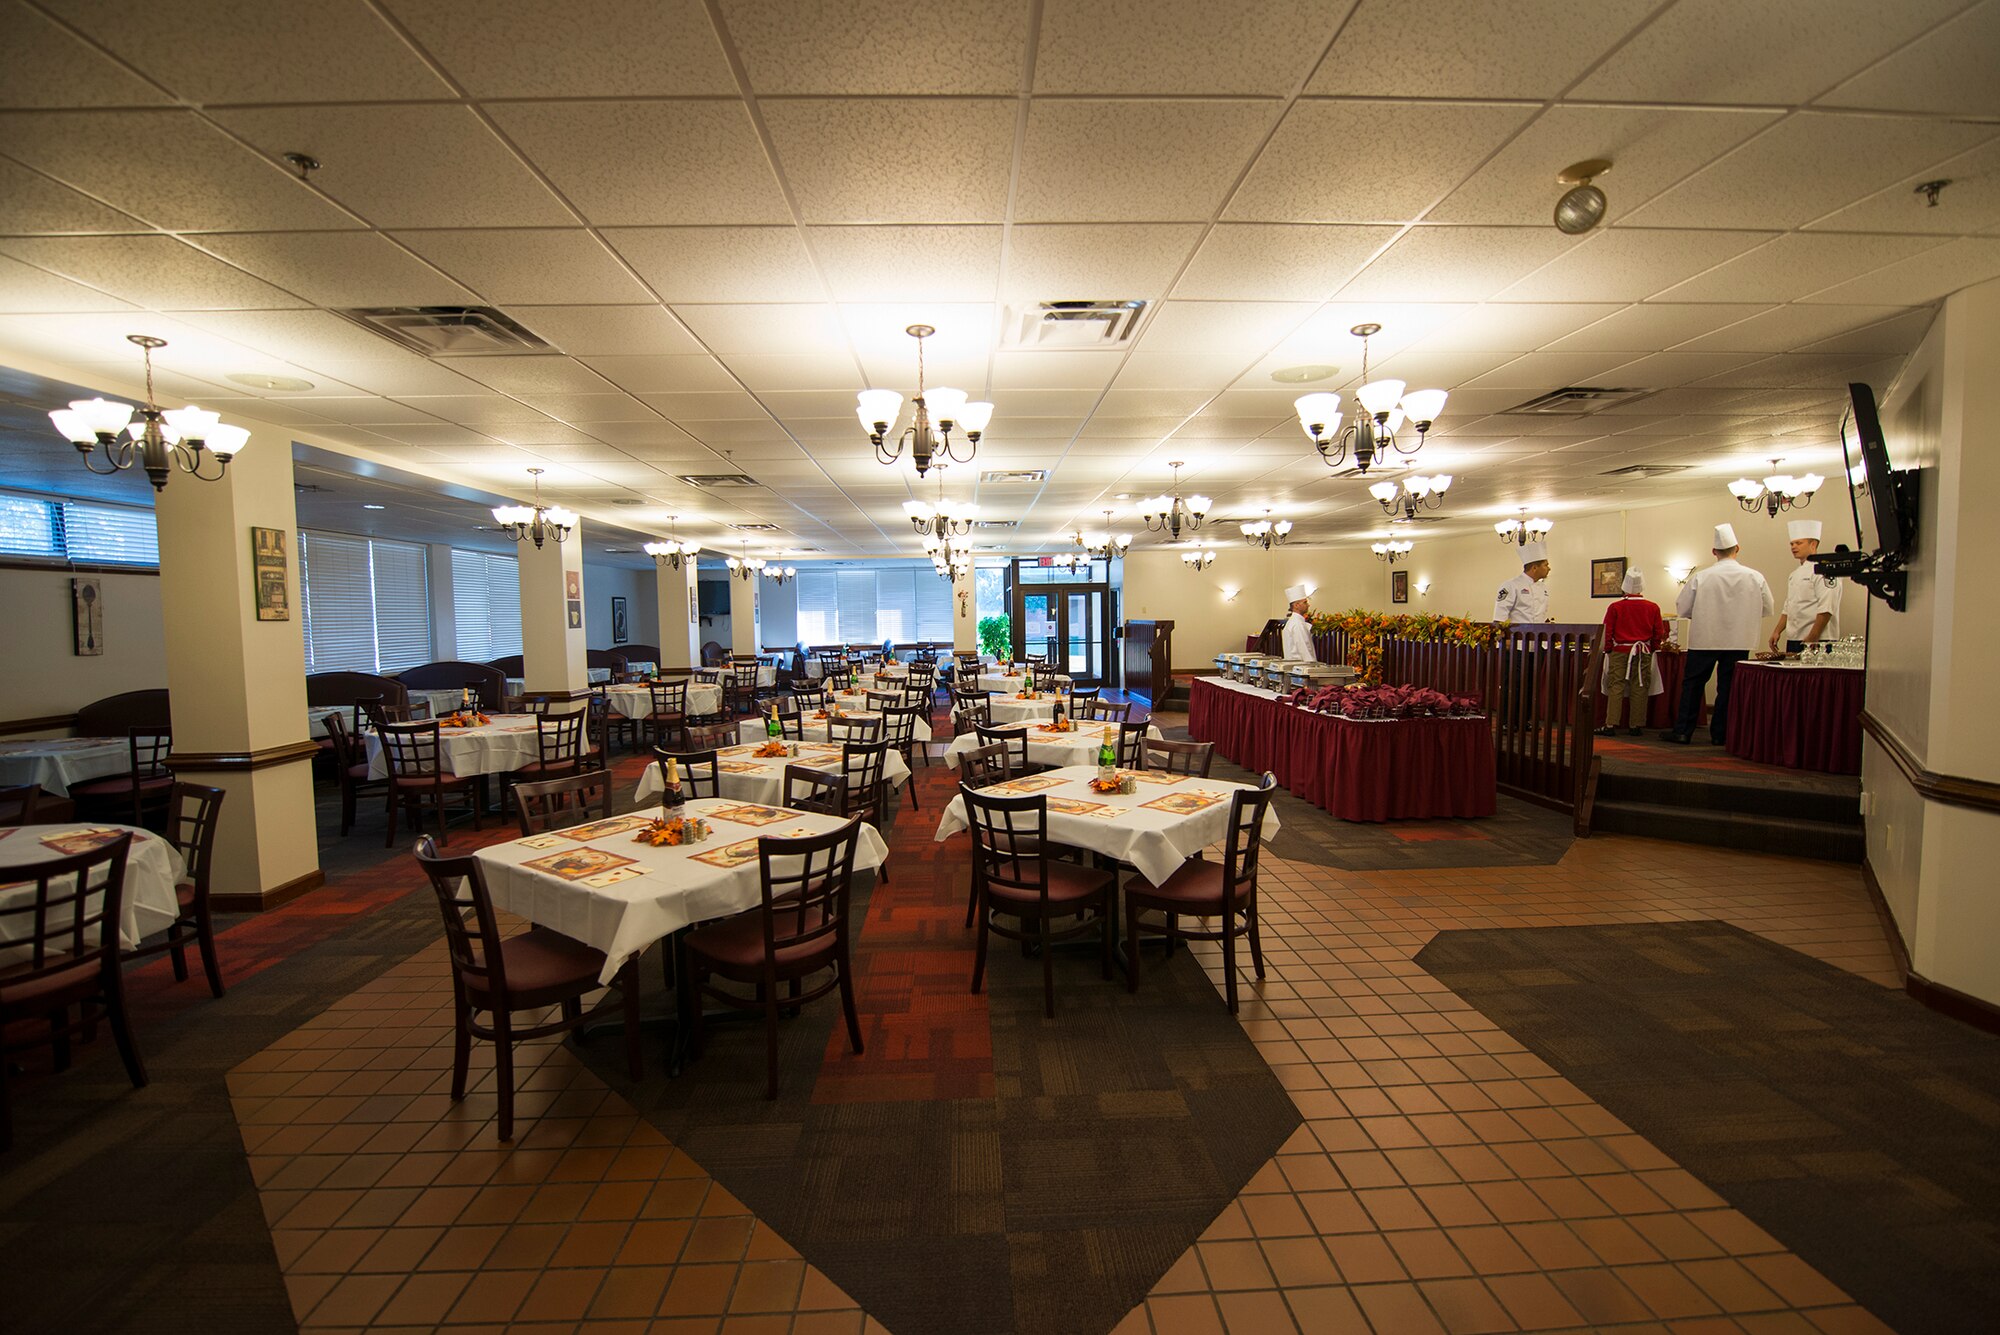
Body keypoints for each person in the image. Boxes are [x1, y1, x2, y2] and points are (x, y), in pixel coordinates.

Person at [1668, 523, 1773, 745]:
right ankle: (1721, 734)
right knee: (1728, 687)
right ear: (1738, 548)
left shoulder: (1701, 577)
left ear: (1713, 552)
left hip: (1705, 637)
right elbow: (1767, 608)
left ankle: (1683, 731)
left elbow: (1683, 608)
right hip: (1739, 638)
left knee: (1693, 685)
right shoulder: (1755, 576)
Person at [1597, 570, 1668, 737]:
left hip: (1621, 650)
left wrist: (1608, 649)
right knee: (1640, 686)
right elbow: (1659, 631)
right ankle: (1636, 725)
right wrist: (1654, 647)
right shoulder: (1653, 607)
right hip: (1643, 651)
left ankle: (1611, 723)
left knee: (1616, 686)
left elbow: (1608, 631)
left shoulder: (1615, 607)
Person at [1770, 518, 1841, 653]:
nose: (1793, 547)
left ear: (1813, 544)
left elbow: (1827, 607)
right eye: (1792, 544)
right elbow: (1789, 606)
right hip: (1795, 637)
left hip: (1819, 639)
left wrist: (1813, 636)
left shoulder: (1824, 570)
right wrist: (1777, 631)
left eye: (1798, 543)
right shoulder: (1794, 574)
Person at [1493, 543, 1553, 626]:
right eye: (1546, 565)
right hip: (1517, 637)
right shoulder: (1511, 585)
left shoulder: (1543, 588)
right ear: (1534, 568)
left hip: (1538, 636)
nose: (1549, 569)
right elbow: (1500, 616)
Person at [1280, 584, 1315, 661]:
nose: (1308, 605)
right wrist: (1312, 668)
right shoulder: (1297, 624)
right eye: (1305, 602)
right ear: (1296, 605)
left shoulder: (1293, 622)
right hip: (1301, 667)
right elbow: (1304, 649)